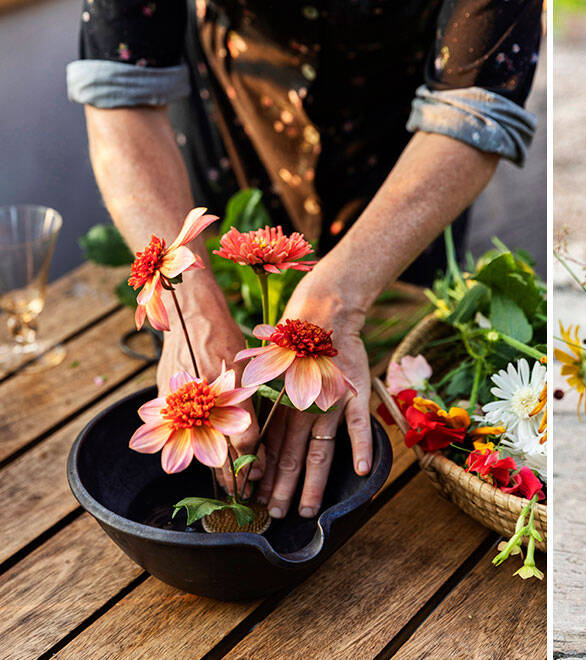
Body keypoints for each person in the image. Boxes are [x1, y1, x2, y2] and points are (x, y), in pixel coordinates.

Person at [68, 0, 542, 521]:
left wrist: (342, 297)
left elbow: (476, 105)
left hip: (403, 149)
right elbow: (119, 88)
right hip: (234, 120)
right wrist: (192, 307)